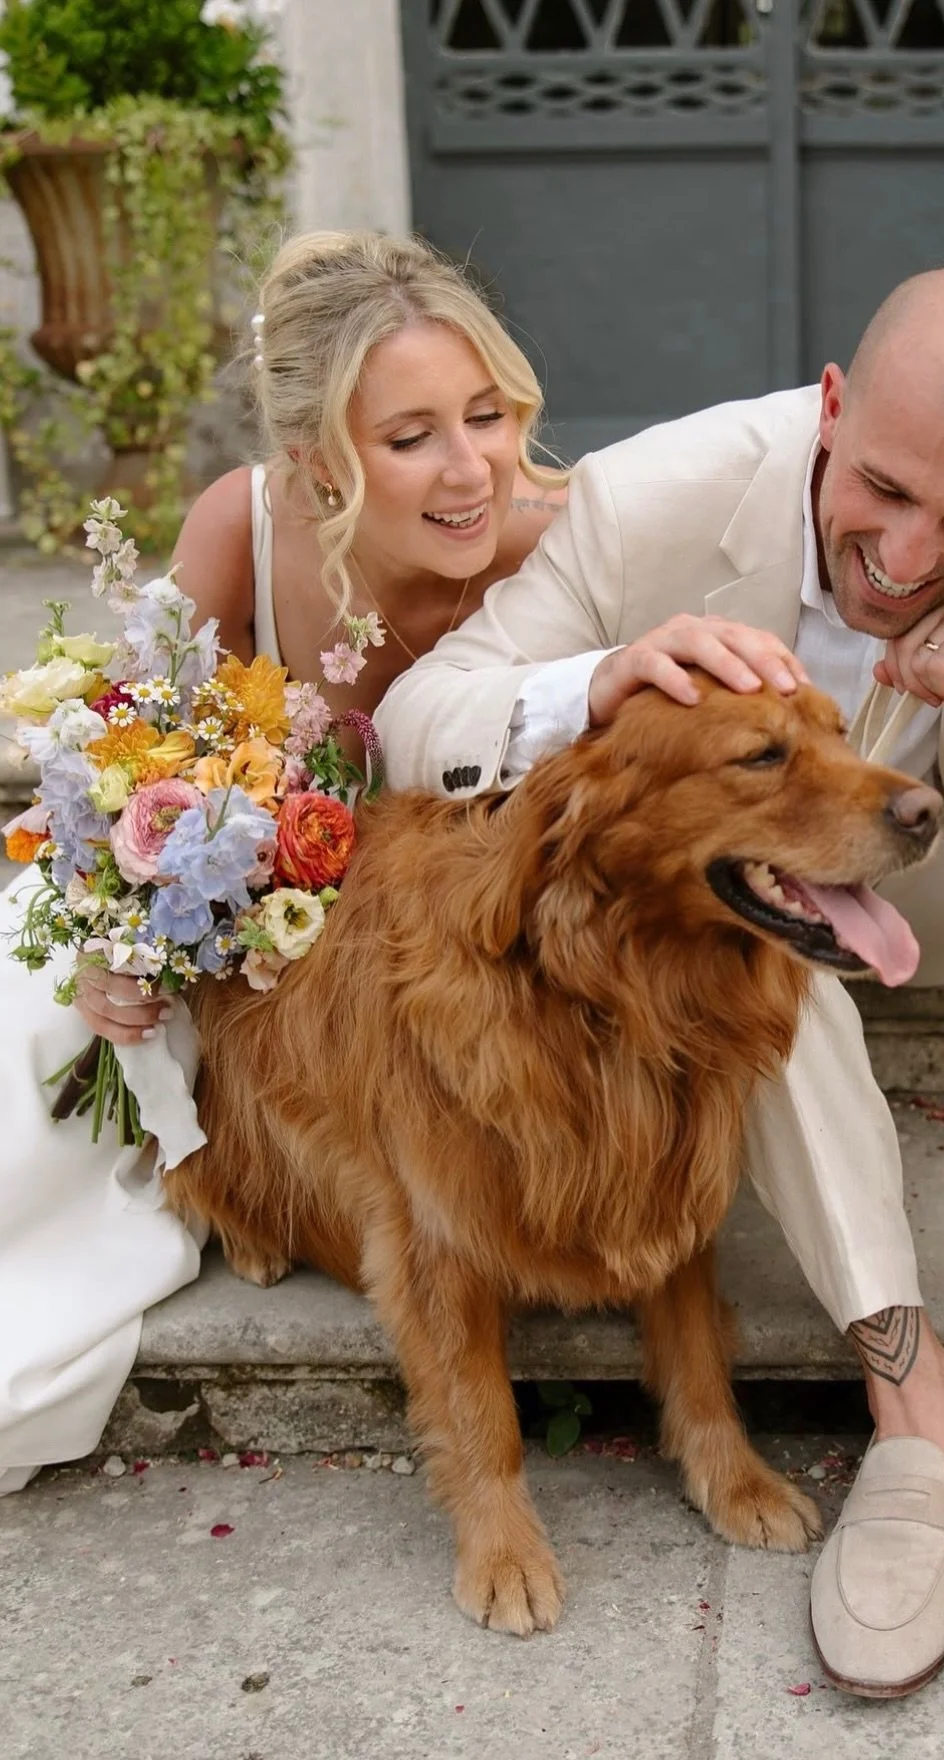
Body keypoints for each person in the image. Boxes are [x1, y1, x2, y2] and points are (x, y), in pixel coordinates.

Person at [375, 266, 944, 1694]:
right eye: (881, 487)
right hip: (775, 888)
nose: (906, 550)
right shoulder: (650, 498)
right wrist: (605, 677)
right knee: (727, 918)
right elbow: (414, 719)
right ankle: (913, 1398)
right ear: (829, 408)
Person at [0, 229, 564, 1495]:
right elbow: (133, 757)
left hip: (418, 961)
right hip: (227, 927)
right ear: (315, 457)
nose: (471, 467)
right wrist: (108, 936)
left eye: (486, 415)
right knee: (34, 1045)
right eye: (411, 436)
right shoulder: (244, 523)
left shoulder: (560, 536)